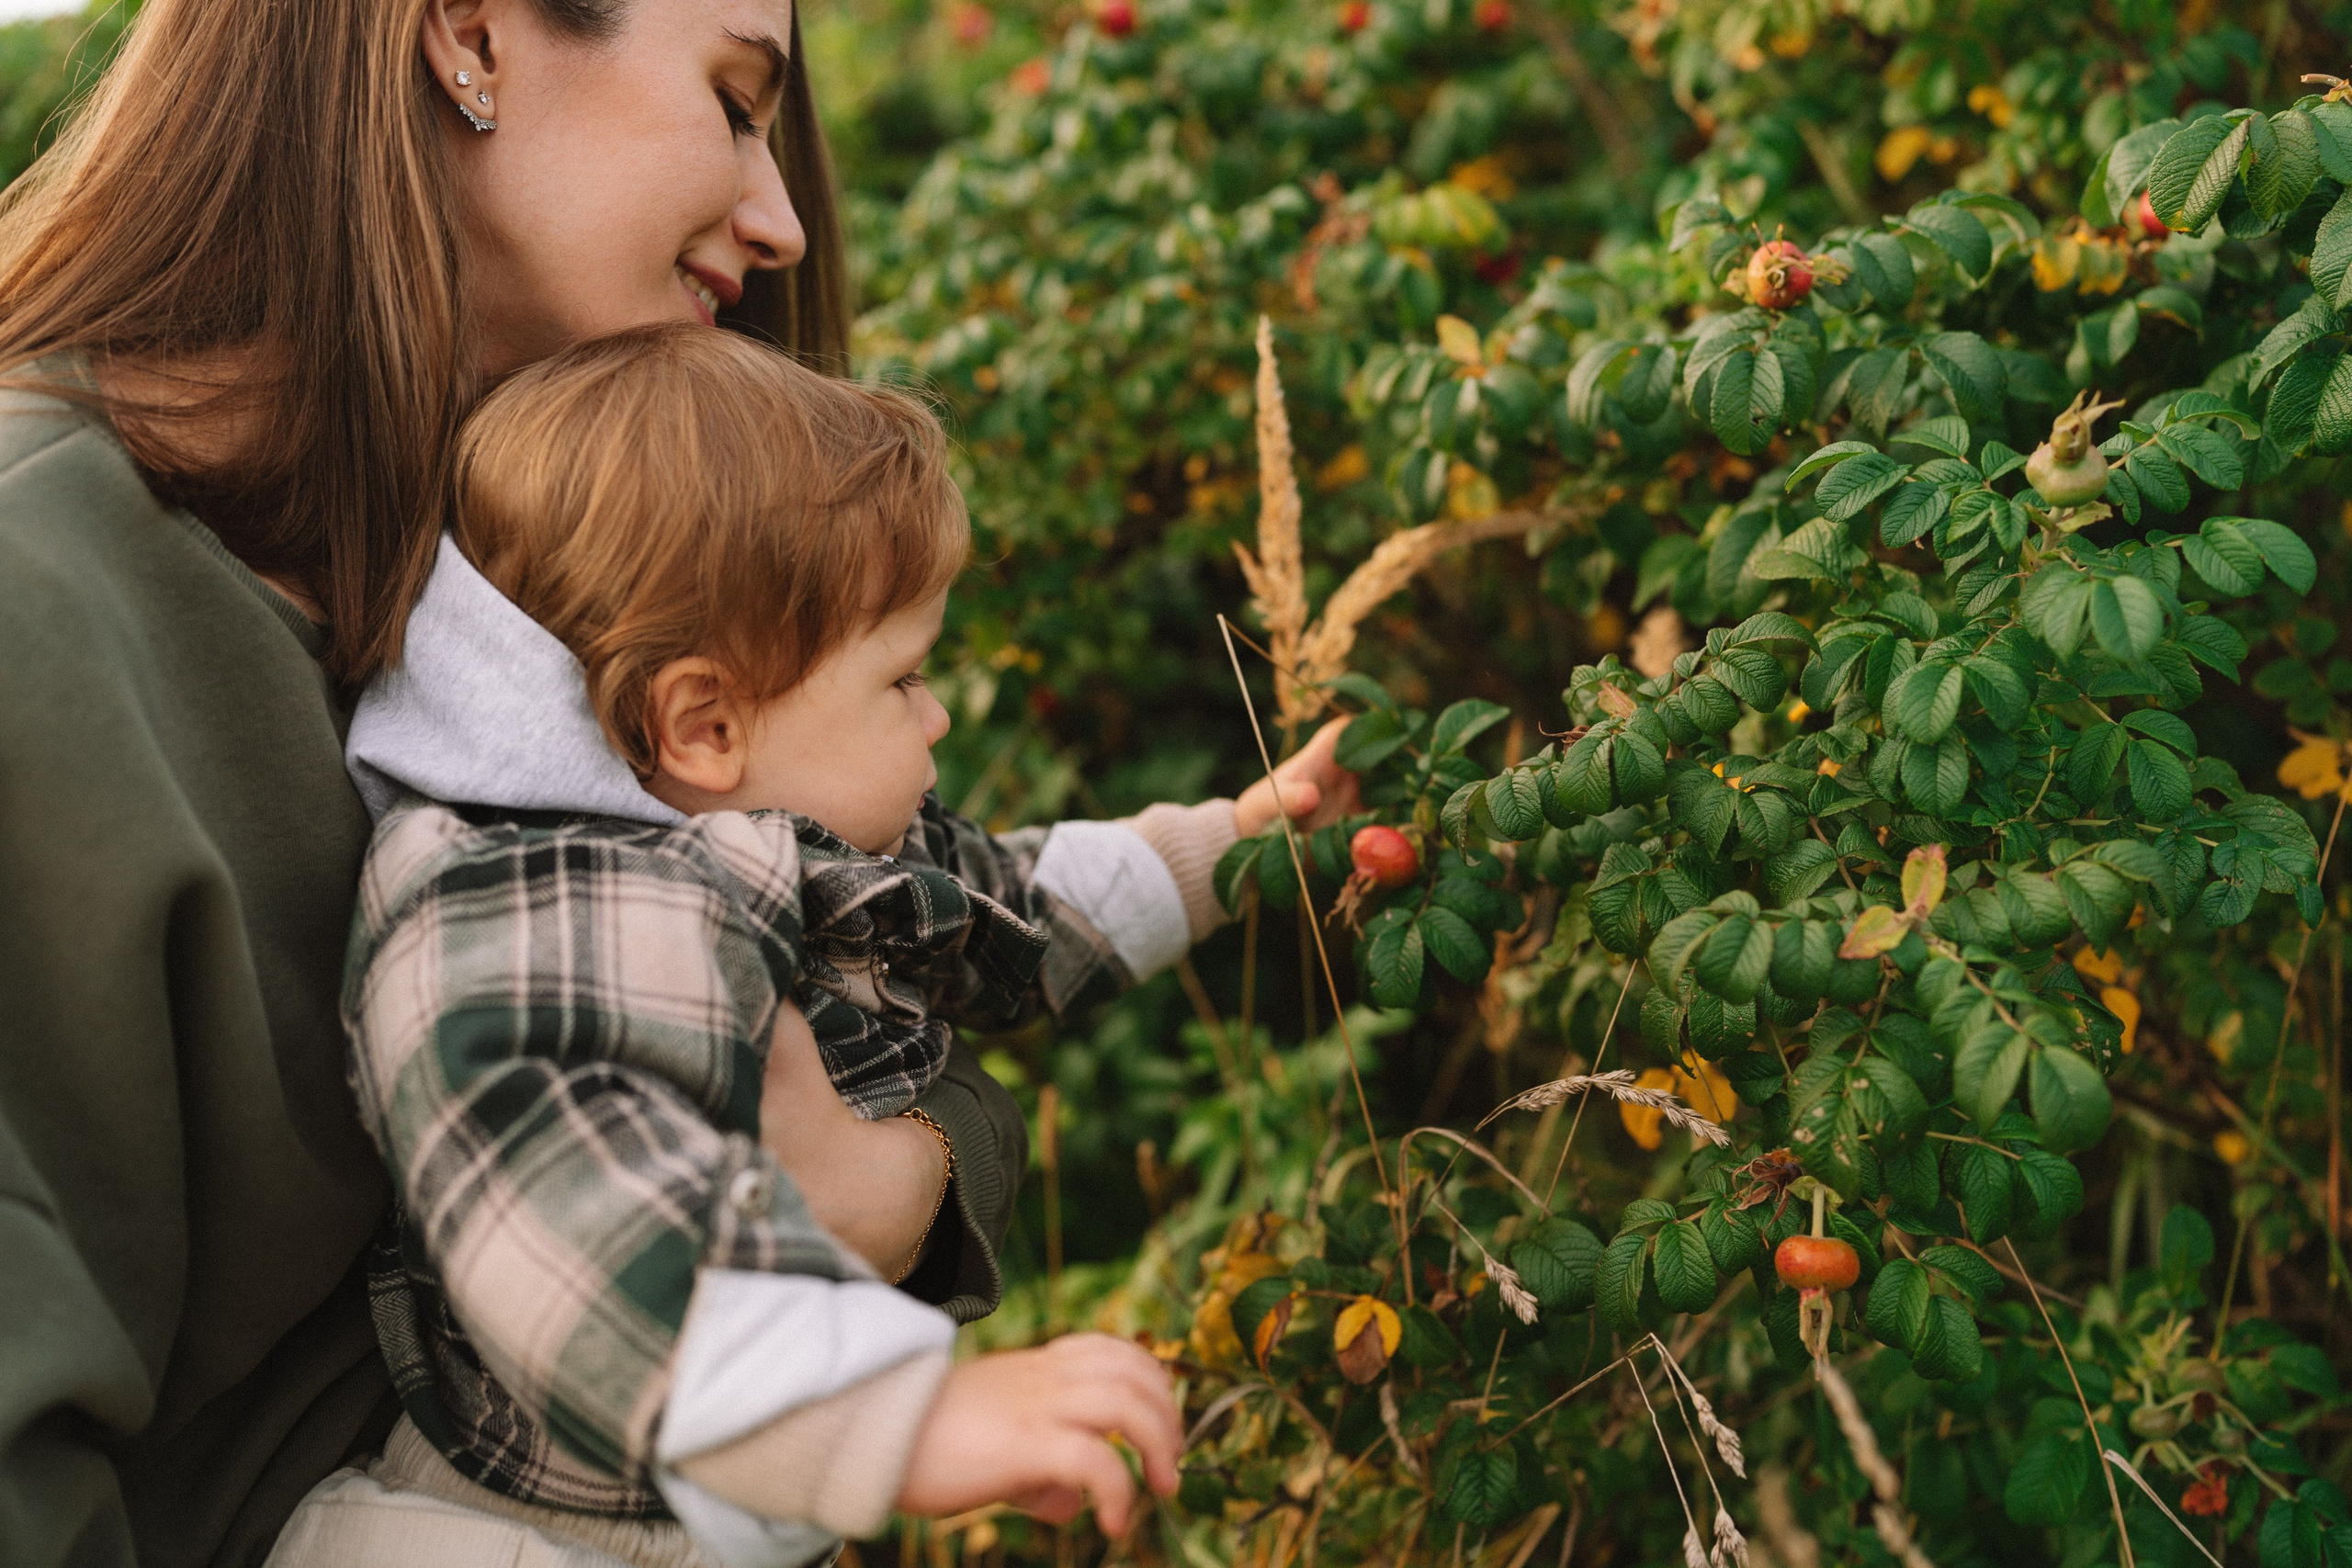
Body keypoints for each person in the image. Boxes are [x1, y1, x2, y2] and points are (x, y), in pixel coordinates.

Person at [0, 1, 1351, 1563]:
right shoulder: (48, 598)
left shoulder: (525, 593)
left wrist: (906, 1175)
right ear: (466, 37)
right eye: (734, 101)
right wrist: (874, 1300)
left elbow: (892, 957)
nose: (780, 221)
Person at [278, 321, 1340, 1566]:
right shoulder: (510, 905)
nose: (937, 713)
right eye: (901, 681)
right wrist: (899, 1413)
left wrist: (1237, 843)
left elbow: (1010, 905)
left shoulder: (794, 849)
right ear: (704, 723)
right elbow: (557, 1209)